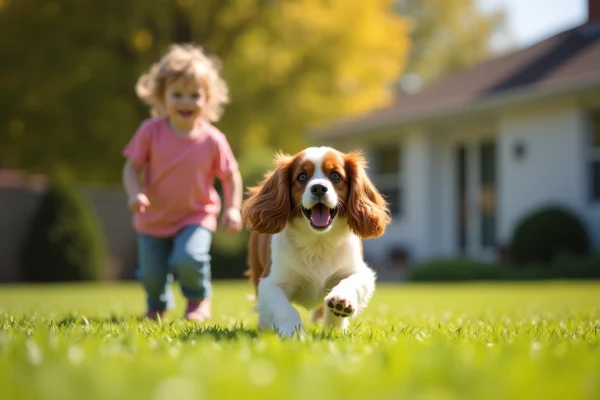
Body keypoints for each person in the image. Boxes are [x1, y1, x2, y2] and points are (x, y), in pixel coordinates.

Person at [122, 43, 243, 322]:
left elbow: (230, 174)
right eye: (177, 94)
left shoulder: (213, 139)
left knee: (189, 258)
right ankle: (157, 304)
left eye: (194, 95)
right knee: (151, 275)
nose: (186, 102)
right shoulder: (150, 132)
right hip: (152, 218)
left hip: (195, 215)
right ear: (161, 97)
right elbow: (131, 167)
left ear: (207, 99)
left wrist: (233, 208)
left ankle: (198, 300)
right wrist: (134, 193)